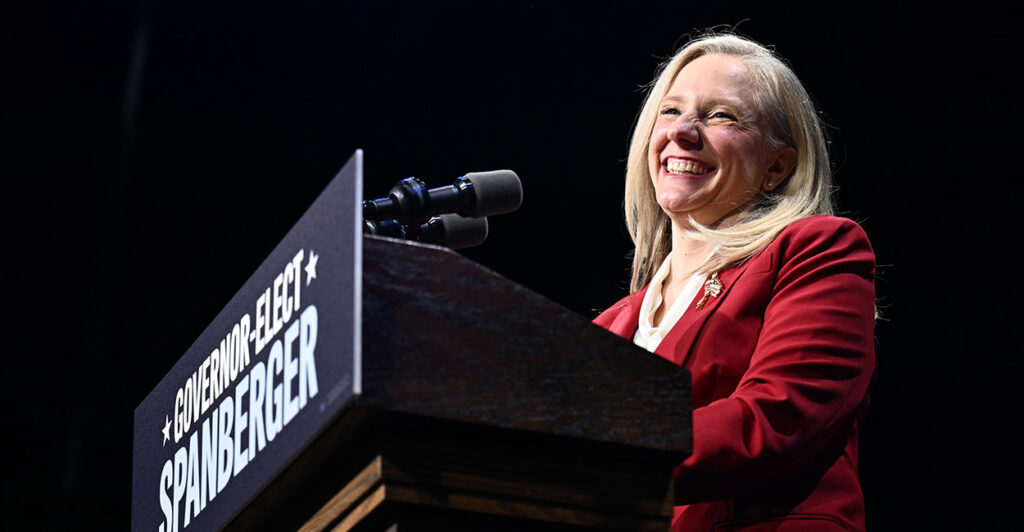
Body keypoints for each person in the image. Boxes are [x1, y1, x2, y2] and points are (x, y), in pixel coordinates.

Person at [593, 33, 875, 531]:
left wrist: (600, 456)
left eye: (721, 116)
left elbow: (778, 417)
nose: (683, 132)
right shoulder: (614, 324)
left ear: (777, 166)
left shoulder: (816, 250)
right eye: (671, 110)